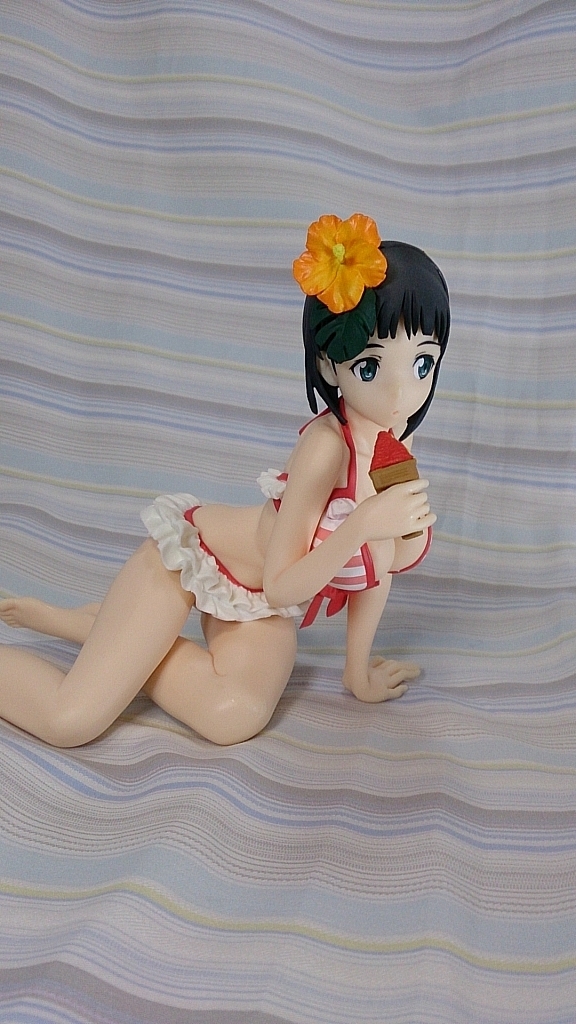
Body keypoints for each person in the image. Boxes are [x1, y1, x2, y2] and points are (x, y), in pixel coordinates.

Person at [0, 214, 449, 748]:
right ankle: (111, 638)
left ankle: (105, 634)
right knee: (69, 720)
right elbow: (284, 580)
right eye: (371, 368)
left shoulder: (396, 443)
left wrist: (358, 673)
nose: (401, 393)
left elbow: (377, 569)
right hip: (192, 561)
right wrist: (364, 526)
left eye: (421, 364)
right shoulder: (326, 448)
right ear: (330, 365)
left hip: (258, 606)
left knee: (235, 716)